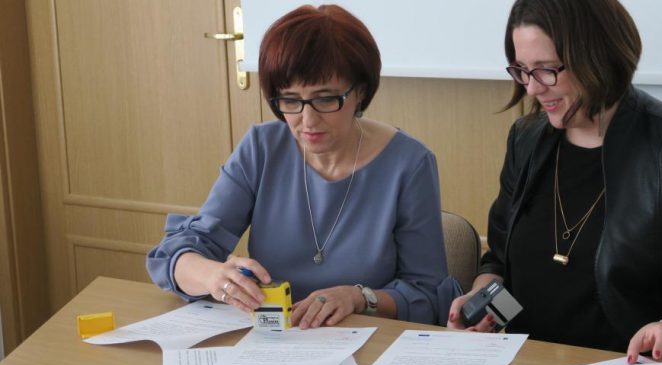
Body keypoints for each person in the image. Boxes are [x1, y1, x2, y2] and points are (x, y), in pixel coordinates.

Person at [449, 0, 662, 365]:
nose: (532, 89)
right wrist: (483, 300)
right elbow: (500, 261)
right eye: (522, 71)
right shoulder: (526, 140)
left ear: (598, 56)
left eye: (546, 70)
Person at [147, 4, 456, 329]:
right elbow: (174, 254)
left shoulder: (409, 163)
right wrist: (213, 276)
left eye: (325, 99)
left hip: (368, 342)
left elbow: (427, 294)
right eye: (290, 100)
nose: (307, 120)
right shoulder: (262, 148)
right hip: (274, 338)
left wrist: (359, 298)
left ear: (360, 92)